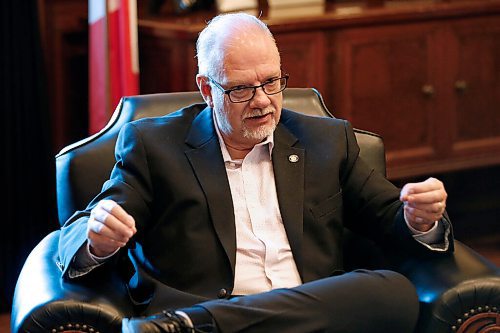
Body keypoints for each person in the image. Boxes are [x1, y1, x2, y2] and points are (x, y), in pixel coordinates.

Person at [58, 12, 452, 333]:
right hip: (213, 300)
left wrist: (422, 220)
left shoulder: (326, 141)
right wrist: (99, 239)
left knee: (395, 291)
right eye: (242, 89)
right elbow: (79, 232)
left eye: (272, 82)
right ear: (207, 90)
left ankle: (202, 326)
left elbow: (391, 219)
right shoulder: (154, 146)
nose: (263, 101)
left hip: (303, 316)